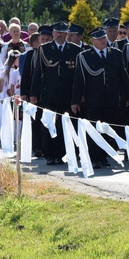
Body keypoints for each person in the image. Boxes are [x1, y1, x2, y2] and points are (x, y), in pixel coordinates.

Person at [71, 28, 129, 168]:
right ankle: (95, 158)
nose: (102, 41)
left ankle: (104, 156)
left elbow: (123, 76)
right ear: (93, 40)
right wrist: (75, 101)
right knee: (94, 129)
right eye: (99, 39)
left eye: (103, 38)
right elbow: (78, 80)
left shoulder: (116, 54)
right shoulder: (85, 56)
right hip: (93, 99)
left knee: (108, 128)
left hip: (111, 99)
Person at [30, 22, 79, 166]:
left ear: (67, 34)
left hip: (66, 94)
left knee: (64, 125)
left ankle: (60, 154)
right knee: (49, 124)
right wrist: (34, 93)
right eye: (57, 32)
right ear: (53, 34)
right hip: (48, 93)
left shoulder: (74, 49)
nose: (60, 35)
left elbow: (77, 76)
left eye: (63, 32)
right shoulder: (44, 49)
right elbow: (38, 72)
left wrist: (77, 95)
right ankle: (50, 154)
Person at [20, 25, 53, 159]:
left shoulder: (53, 53)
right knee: (37, 120)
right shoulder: (31, 54)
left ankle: (48, 147)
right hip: (35, 93)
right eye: (42, 39)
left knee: (49, 121)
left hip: (50, 93)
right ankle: (37, 147)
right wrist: (25, 93)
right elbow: (26, 75)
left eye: (47, 39)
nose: (44, 41)